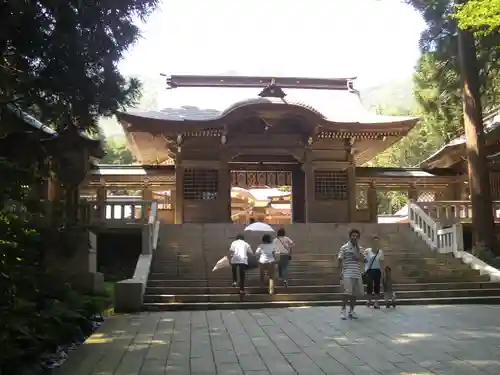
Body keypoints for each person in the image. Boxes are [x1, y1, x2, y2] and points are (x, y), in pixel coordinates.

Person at [337, 228, 364, 320]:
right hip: (347, 272)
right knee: (346, 293)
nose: (354, 238)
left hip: (357, 272)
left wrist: (358, 254)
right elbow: (340, 259)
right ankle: (343, 310)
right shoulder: (344, 247)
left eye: (356, 236)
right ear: (350, 237)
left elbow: (364, 260)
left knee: (355, 294)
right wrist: (340, 271)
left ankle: (351, 311)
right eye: (353, 236)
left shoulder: (360, 248)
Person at [363, 235, 385, 309]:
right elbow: (364, 260)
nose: (376, 243)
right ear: (372, 242)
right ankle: (369, 300)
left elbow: (382, 262)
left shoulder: (380, 252)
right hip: (369, 270)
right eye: (374, 241)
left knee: (377, 286)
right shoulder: (367, 251)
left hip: (377, 270)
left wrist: (382, 272)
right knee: (369, 286)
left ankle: (376, 302)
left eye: (377, 241)